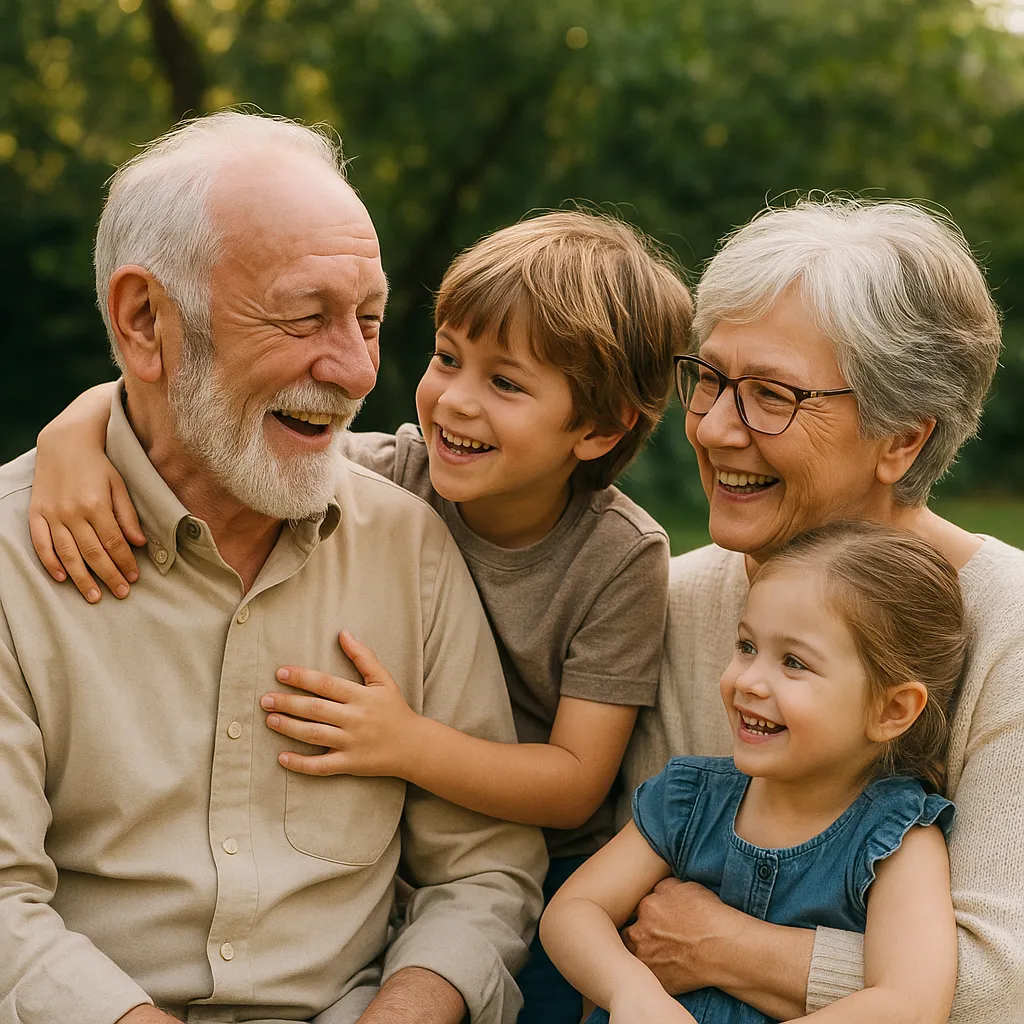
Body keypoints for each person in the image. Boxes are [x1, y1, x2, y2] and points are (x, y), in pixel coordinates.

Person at [26, 211, 693, 1023]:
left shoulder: (617, 559)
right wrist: (76, 428)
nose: (455, 401)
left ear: (599, 429)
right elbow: (212, 420)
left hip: (551, 875)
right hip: (387, 851)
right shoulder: (384, 474)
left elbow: (574, 784)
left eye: (506, 383)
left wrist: (407, 743)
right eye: (448, 358)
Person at [0, 110, 549, 1024]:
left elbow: (483, 870)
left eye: (369, 320)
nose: (355, 369)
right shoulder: (13, 562)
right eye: (305, 317)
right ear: (145, 321)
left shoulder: (409, 545)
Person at [616, 199, 1024, 1021]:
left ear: (902, 439)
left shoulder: (1011, 628)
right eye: (712, 380)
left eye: (772, 395)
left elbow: (995, 985)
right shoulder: (679, 599)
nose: (716, 429)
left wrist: (728, 947)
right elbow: (639, 913)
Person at [542, 522, 965, 1024]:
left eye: (793, 662)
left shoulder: (896, 841)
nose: (747, 681)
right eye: (746, 647)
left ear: (891, 711)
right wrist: (632, 992)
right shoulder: (690, 799)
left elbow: (912, 1002)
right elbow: (573, 911)